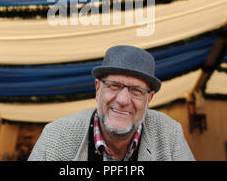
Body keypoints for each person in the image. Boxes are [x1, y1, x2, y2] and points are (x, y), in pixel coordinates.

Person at [28, 45, 195, 161]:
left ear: (149, 99)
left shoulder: (170, 134)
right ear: (98, 88)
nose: (122, 100)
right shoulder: (55, 137)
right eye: (114, 86)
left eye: (136, 90)